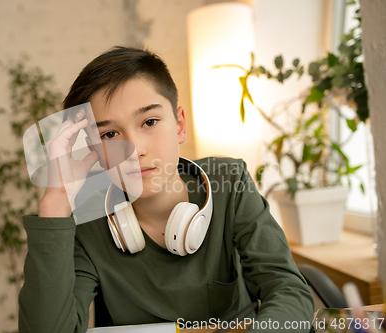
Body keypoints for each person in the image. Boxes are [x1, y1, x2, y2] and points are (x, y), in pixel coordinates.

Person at [18, 46, 315, 333]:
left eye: (149, 121)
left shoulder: (229, 182)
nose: (134, 150)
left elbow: (288, 290)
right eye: (109, 134)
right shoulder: (90, 221)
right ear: (93, 149)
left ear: (179, 125)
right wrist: (55, 199)